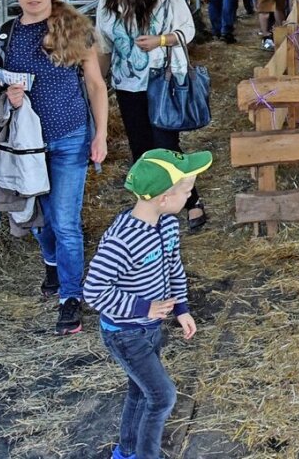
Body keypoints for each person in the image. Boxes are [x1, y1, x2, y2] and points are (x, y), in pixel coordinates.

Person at [0, 0, 108, 335]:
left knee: (66, 221)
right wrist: (6, 94)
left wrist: (99, 135)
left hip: (70, 137)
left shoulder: (74, 31)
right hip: (23, 146)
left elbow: (96, 86)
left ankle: (71, 297)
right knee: (38, 217)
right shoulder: (3, 37)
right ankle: (51, 260)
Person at [83, 149, 209, 459]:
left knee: (140, 392)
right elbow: (93, 290)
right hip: (124, 333)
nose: (190, 195)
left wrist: (182, 309)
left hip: (150, 328)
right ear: (165, 198)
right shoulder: (122, 240)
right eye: (187, 190)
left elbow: (173, 266)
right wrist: (144, 307)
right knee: (162, 396)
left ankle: (125, 452)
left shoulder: (167, 224)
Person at [97, 0, 207, 233]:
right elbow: (104, 42)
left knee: (166, 143)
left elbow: (187, 29)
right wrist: (98, 80)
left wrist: (160, 40)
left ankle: (191, 199)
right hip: (127, 81)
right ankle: (151, 205)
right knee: (140, 146)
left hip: (162, 78)